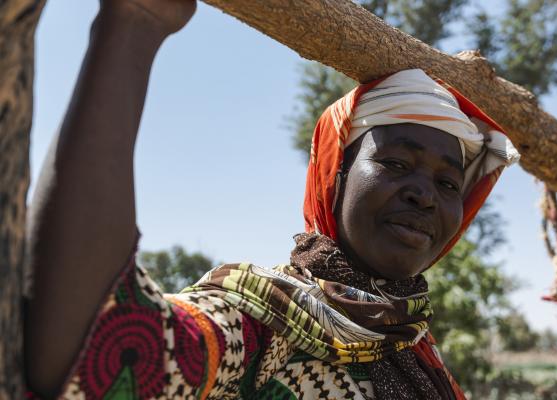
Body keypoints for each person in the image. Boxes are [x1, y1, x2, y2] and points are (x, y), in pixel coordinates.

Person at [25, 0, 519, 399]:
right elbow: (100, 345)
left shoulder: (415, 346)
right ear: (334, 177)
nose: (424, 195)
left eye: (449, 184)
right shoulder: (260, 328)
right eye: (395, 164)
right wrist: (134, 25)